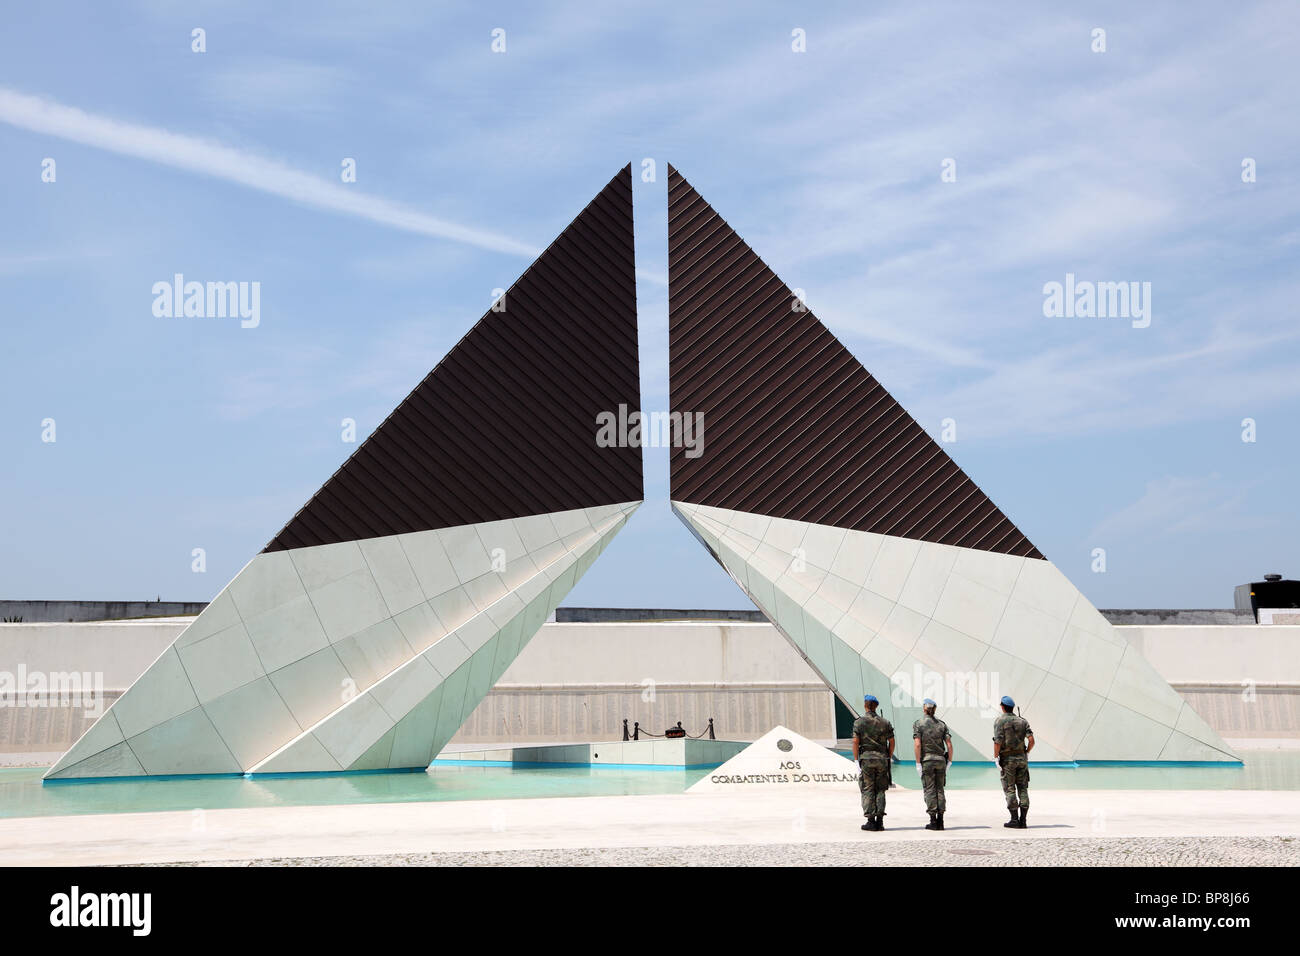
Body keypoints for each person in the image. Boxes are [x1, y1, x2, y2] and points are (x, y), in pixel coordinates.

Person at [852, 694, 895, 831]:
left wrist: (855, 759)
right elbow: (892, 742)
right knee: (880, 789)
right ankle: (880, 821)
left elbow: (855, 742)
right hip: (882, 759)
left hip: (866, 759)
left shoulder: (859, 722)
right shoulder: (885, 722)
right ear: (876, 706)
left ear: (865, 705)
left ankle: (871, 821)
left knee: (868, 788)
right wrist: (888, 755)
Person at [992, 695, 1034, 828]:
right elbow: (1032, 740)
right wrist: (1026, 752)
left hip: (1008, 760)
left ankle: (1014, 819)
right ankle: (1023, 820)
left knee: (1010, 788)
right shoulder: (1023, 721)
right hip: (1022, 759)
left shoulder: (1000, 721)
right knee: (1023, 788)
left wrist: (996, 757)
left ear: (1002, 707)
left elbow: (997, 742)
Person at [913, 698, 953, 830]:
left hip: (927, 761)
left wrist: (918, 763)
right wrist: (950, 762)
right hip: (941, 760)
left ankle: (933, 821)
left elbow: (918, 744)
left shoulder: (919, 724)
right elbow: (949, 745)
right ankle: (941, 821)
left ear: (924, 708)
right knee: (940, 789)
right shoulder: (941, 724)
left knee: (930, 790)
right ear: (934, 709)